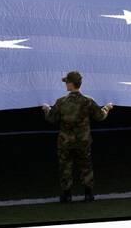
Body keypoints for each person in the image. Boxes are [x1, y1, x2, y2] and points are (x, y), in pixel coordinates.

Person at [43, 71, 114, 203]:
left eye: (67, 82)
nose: (65, 85)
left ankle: (67, 195)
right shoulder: (88, 101)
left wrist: (46, 109)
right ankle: (88, 194)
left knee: (65, 167)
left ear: (71, 84)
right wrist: (107, 108)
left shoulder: (61, 102)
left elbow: (51, 119)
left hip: (65, 142)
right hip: (83, 141)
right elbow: (100, 117)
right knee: (86, 167)